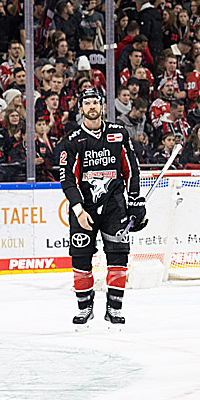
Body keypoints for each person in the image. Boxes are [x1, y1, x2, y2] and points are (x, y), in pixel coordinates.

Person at [57, 88, 146, 327]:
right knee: (80, 257)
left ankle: (114, 308)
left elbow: (131, 170)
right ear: (81, 108)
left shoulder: (119, 133)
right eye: (87, 103)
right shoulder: (73, 140)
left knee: (118, 256)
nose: (92, 106)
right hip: (84, 209)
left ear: (102, 106)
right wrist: (78, 209)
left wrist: (136, 202)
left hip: (114, 206)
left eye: (95, 102)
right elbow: (67, 179)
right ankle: (85, 307)